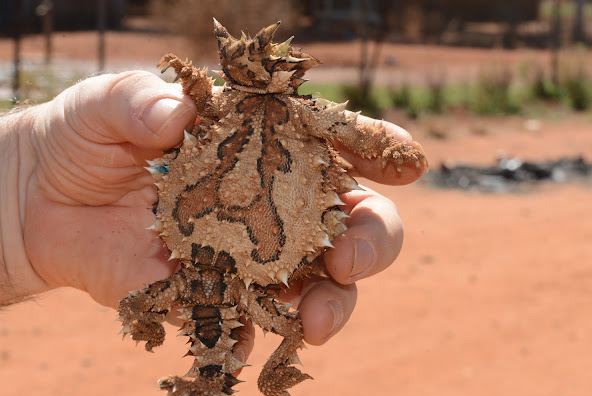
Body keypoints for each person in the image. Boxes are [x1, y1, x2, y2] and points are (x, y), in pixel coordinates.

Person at [0, 70, 426, 362]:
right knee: (299, 322)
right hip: (236, 265)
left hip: (209, 258)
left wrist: (20, 201)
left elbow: (356, 133)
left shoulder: (285, 110)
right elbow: (356, 132)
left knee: (303, 315)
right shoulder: (260, 108)